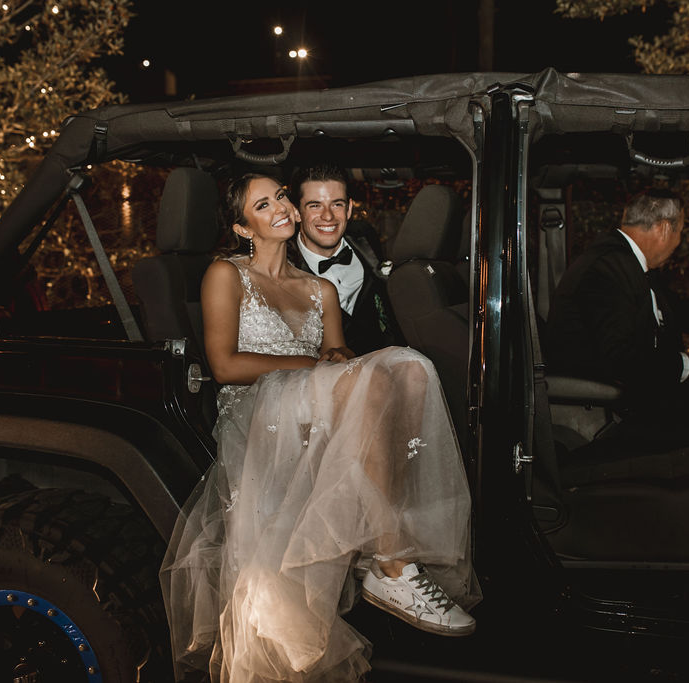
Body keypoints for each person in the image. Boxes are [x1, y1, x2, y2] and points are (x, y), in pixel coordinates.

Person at [161, 173, 479, 683]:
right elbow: (223, 366)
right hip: (255, 408)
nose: (282, 207)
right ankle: (393, 564)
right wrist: (315, 368)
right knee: (382, 374)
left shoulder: (321, 289)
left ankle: (386, 552)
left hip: (307, 401)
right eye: (264, 205)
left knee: (411, 368)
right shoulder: (227, 274)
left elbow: (337, 355)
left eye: (282, 196)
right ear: (244, 227)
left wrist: (337, 360)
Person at [545, 188, 689, 451]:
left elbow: (686, 319)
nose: (678, 242)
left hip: (630, 390)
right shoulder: (607, 268)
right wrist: (687, 365)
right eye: (680, 232)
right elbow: (620, 358)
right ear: (665, 228)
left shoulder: (629, 264)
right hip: (613, 405)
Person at [289, 164, 403, 355]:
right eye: (315, 205)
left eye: (337, 204)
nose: (328, 216)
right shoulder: (285, 264)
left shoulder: (365, 236)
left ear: (349, 209)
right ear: (296, 212)